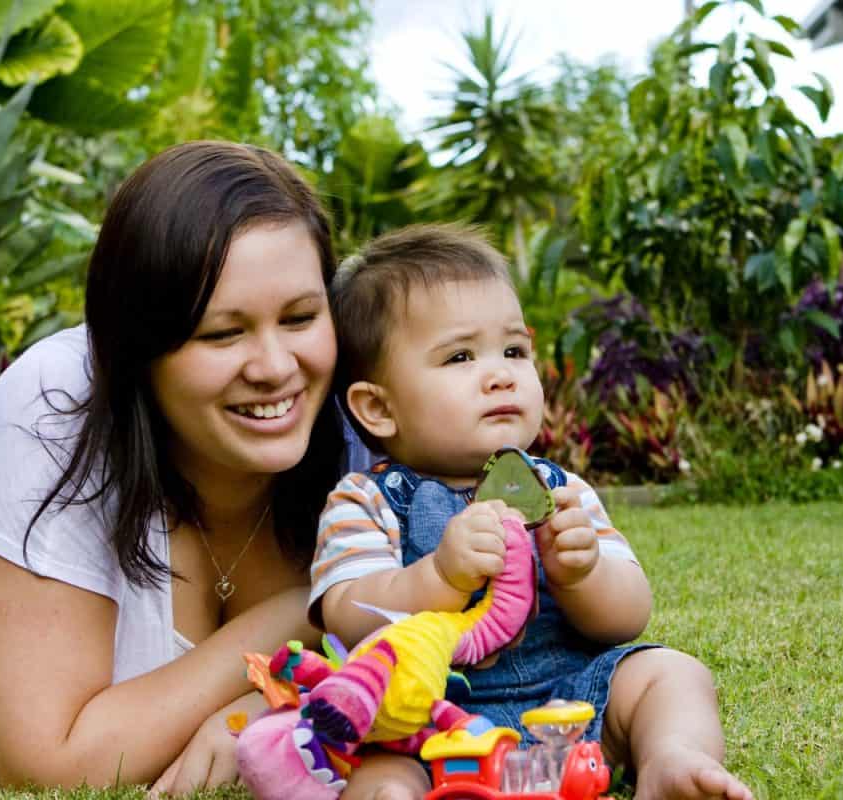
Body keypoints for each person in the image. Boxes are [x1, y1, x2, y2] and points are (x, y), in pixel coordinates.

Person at [0, 141, 427, 799]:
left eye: (299, 318)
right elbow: (46, 764)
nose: (273, 366)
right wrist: (309, 611)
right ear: (137, 344)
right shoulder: (55, 403)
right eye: (221, 333)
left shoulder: (368, 414)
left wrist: (271, 710)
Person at [311, 224, 754, 800]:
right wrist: (437, 577)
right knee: (379, 778)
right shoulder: (364, 500)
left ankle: (670, 760)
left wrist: (583, 574)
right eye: (461, 356)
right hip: (431, 722)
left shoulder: (560, 489)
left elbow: (628, 616)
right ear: (378, 406)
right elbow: (349, 615)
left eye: (514, 350)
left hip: (570, 704)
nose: (500, 374)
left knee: (670, 674)